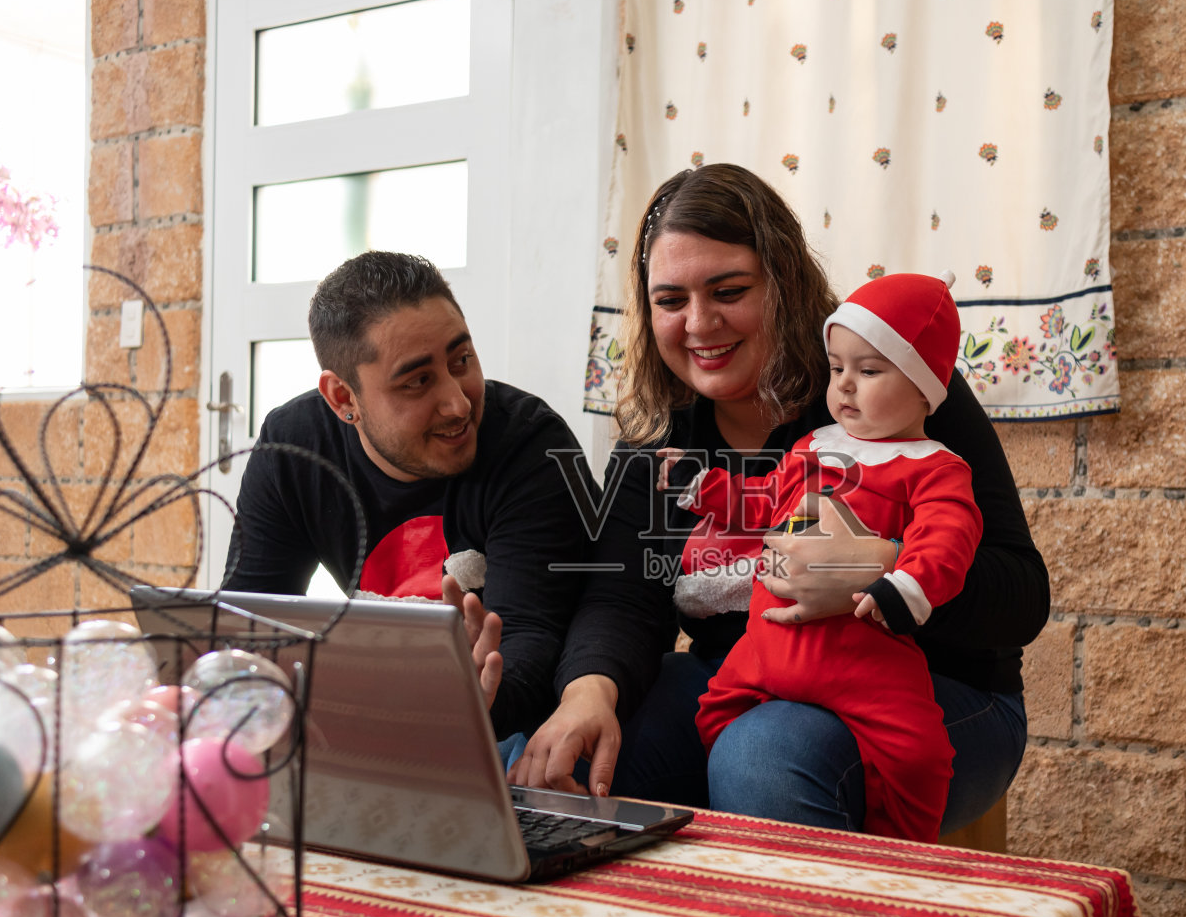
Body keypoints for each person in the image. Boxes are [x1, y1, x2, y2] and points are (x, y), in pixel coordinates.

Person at [511, 164, 1049, 837]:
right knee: (547, 753)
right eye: (670, 300)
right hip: (749, 674)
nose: (700, 323)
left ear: (784, 282)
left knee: (763, 752)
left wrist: (878, 567)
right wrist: (589, 689)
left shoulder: (887, 379)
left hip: (935, 693)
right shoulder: (658, 431)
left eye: (729, 290)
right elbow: (621, 596)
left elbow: (1023, 595)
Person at [658, 270, 983, 841]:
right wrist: (705, 487)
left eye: (870, 371)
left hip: (863, 661)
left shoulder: (935, 466)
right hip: (766, 647)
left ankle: (896, 855)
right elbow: (764, 501)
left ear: (923, 383)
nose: (845, 387)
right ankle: (728, 847)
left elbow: (949, 536)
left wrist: (907, 584)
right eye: (838, 369)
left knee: (920, 756)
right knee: (710, 714)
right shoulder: (813, 446)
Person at [224, 250, 594, 741]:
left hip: (523, 720)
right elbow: (247, 624)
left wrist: (457, 699)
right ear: (342, 398)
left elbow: (529, 644)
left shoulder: (531, 444)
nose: (459, 403)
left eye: (462, 360)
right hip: (389, 710)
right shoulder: (296, 447)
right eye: (418, 381)